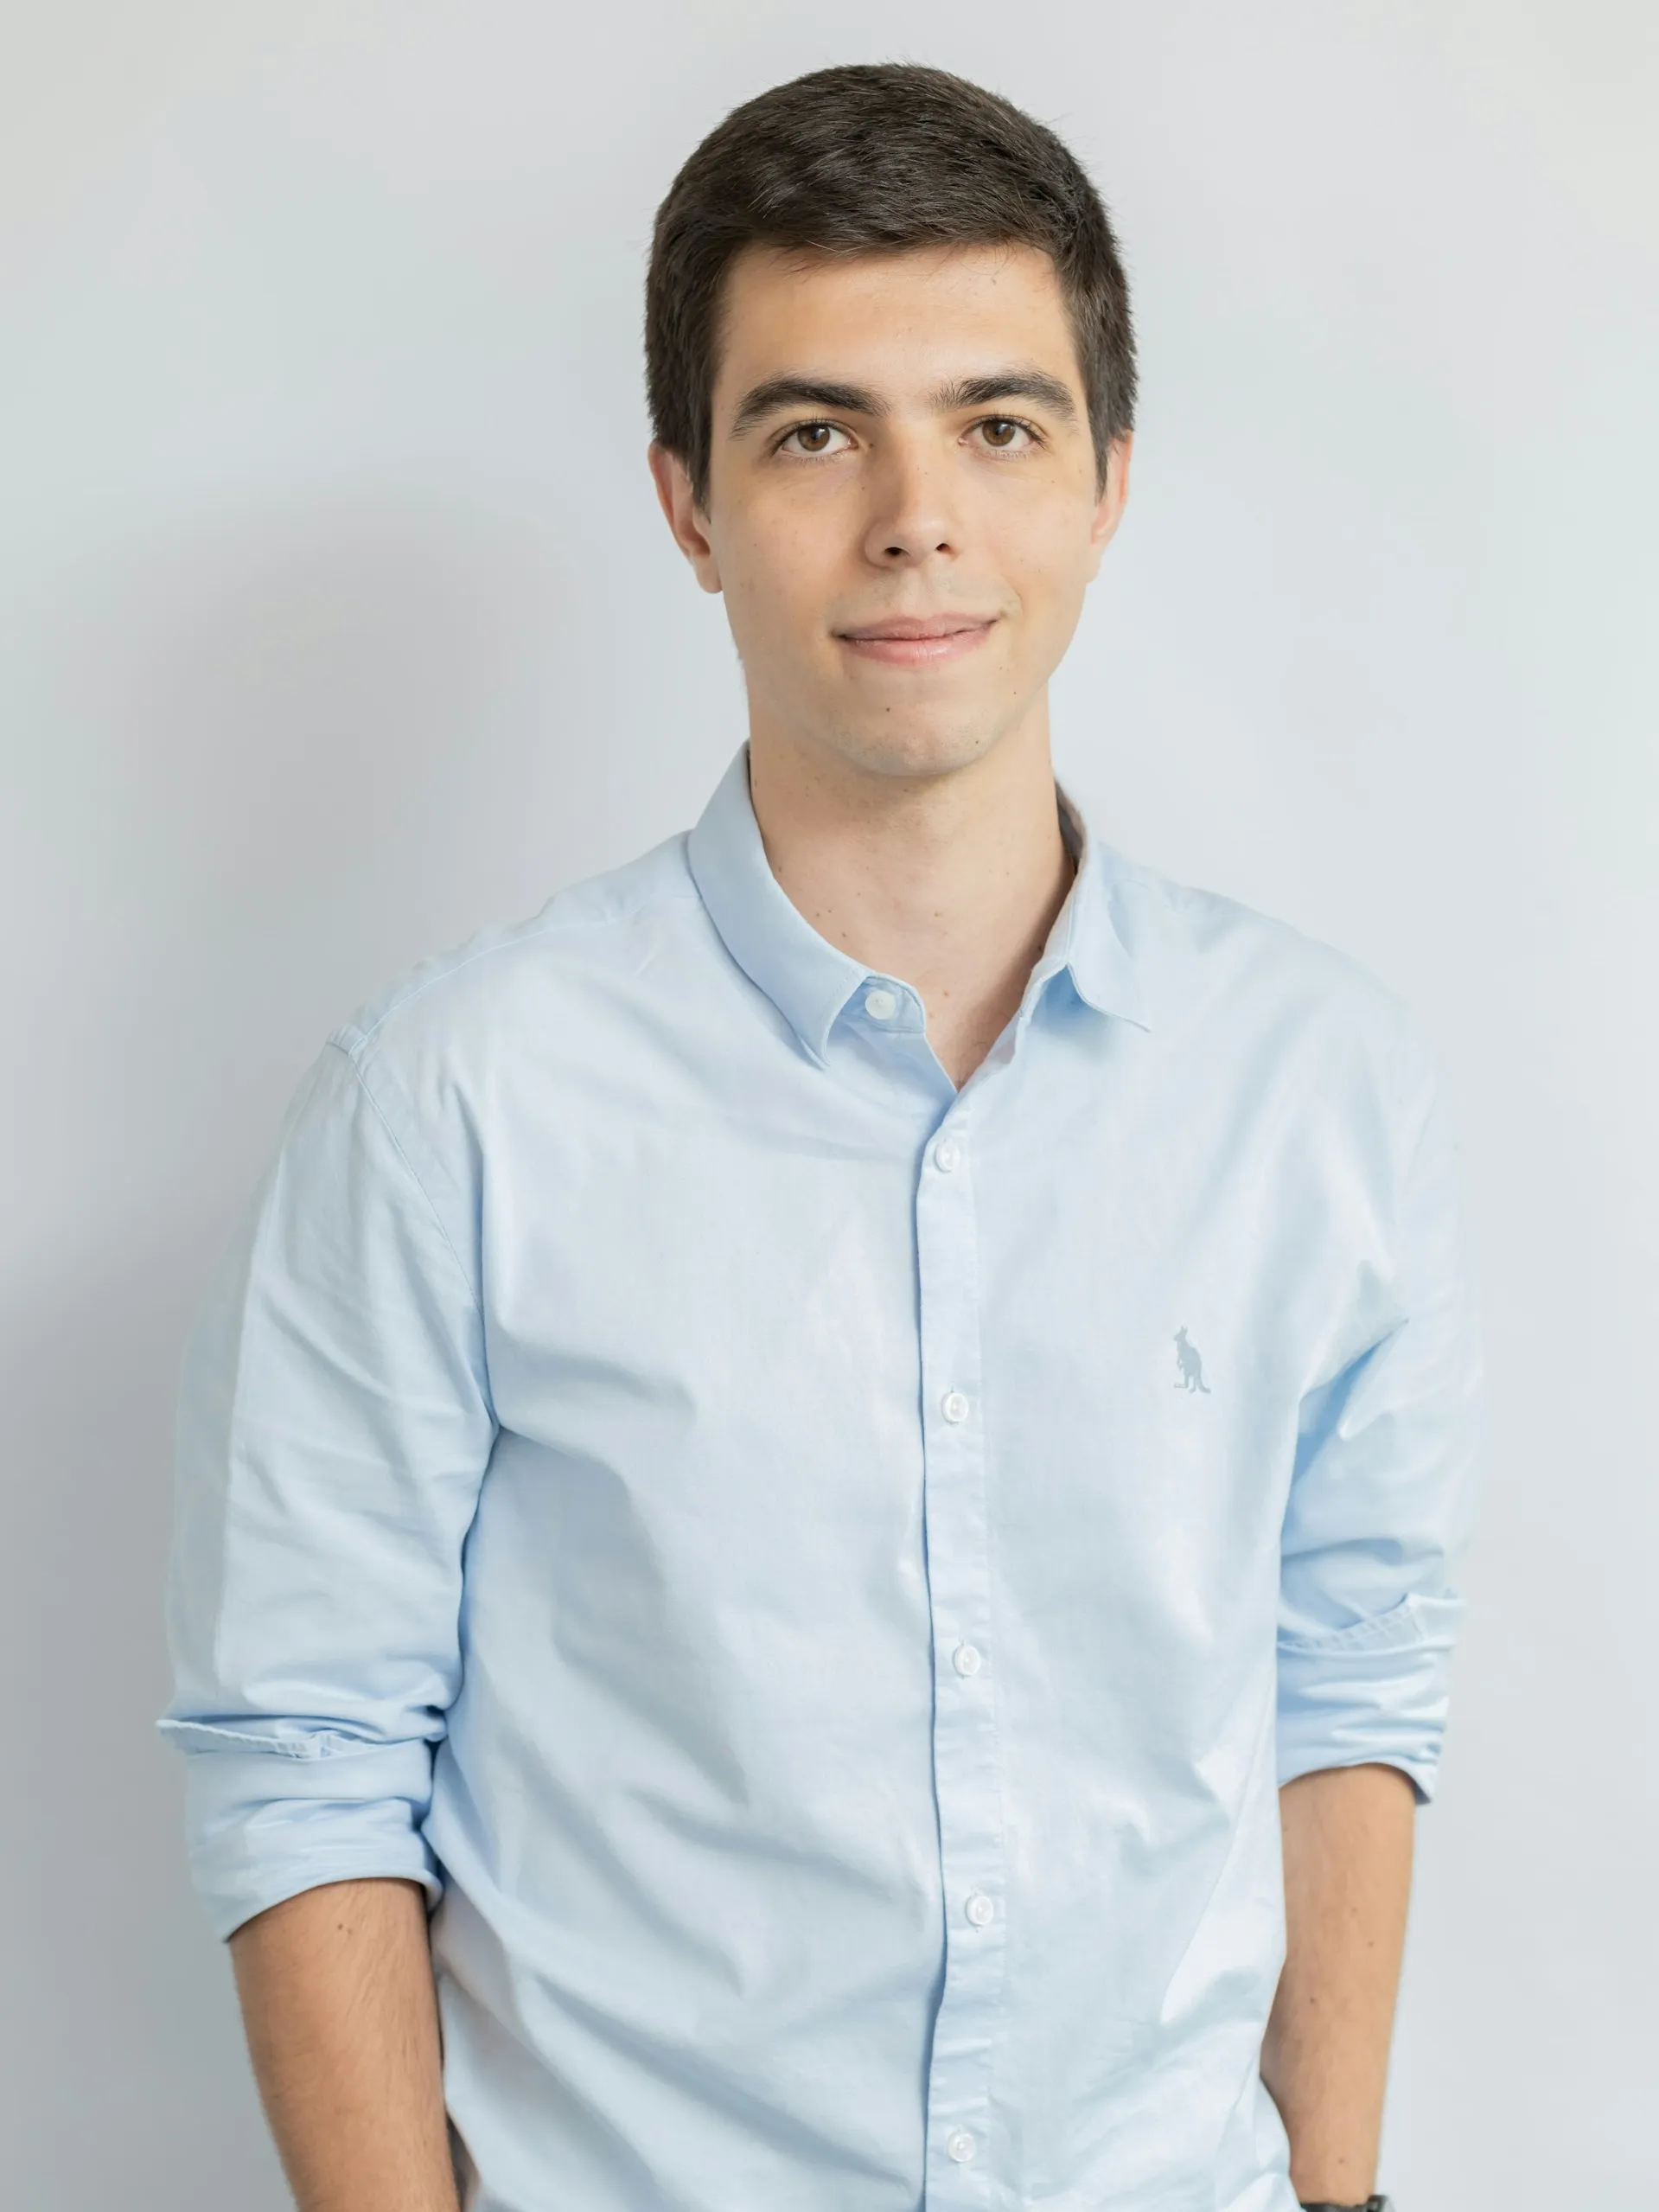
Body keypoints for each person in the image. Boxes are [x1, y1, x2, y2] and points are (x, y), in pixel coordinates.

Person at [161, 61, 1480, 2212]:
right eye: (811, 432)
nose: (913, 517)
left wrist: (1331, 2192)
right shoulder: (446, 1107)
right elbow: (302, 1756)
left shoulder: (1317, 1086)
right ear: (685, 502)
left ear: (1105, 481)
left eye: (996, 425)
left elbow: (1344, 1683)